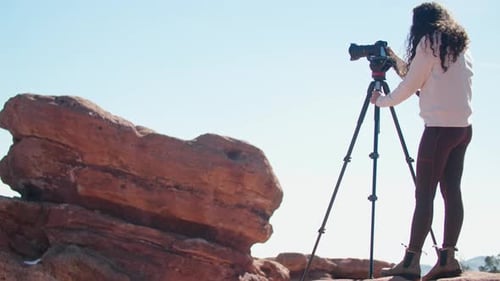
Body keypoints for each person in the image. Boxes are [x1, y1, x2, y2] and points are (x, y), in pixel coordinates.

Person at [370, 2, 473, 281]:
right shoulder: (456, 44)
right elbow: (425, 80)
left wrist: (382, 101)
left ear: (422, 23)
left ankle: (411, 262)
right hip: (462, 129)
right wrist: (394, 61)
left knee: (424, 194)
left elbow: (410, 86)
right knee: (452, 192)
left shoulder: (428, 42)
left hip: (438, 131)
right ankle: (448, 259)